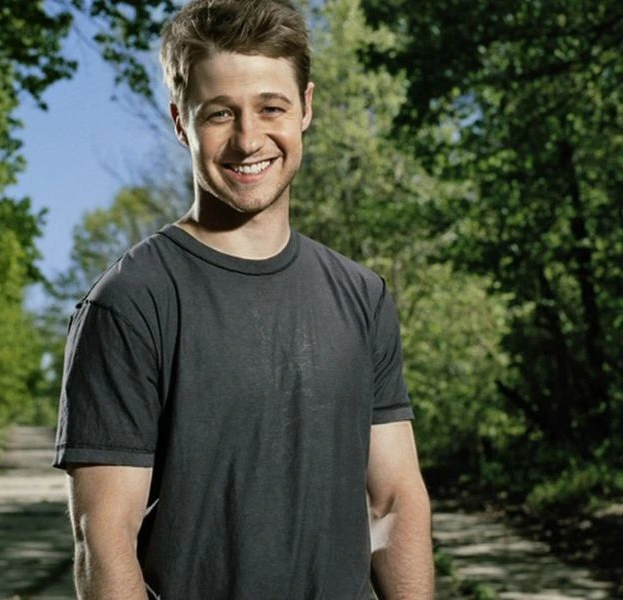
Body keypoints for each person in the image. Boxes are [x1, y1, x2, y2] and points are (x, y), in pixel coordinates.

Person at [54, 0, 434, 598]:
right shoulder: (130, 303)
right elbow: (103, 538)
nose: (248, 139)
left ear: (306, 107)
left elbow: (393, 501)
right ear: (181, 122)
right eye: (219, 113)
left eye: (271, 108)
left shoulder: (362, 296)